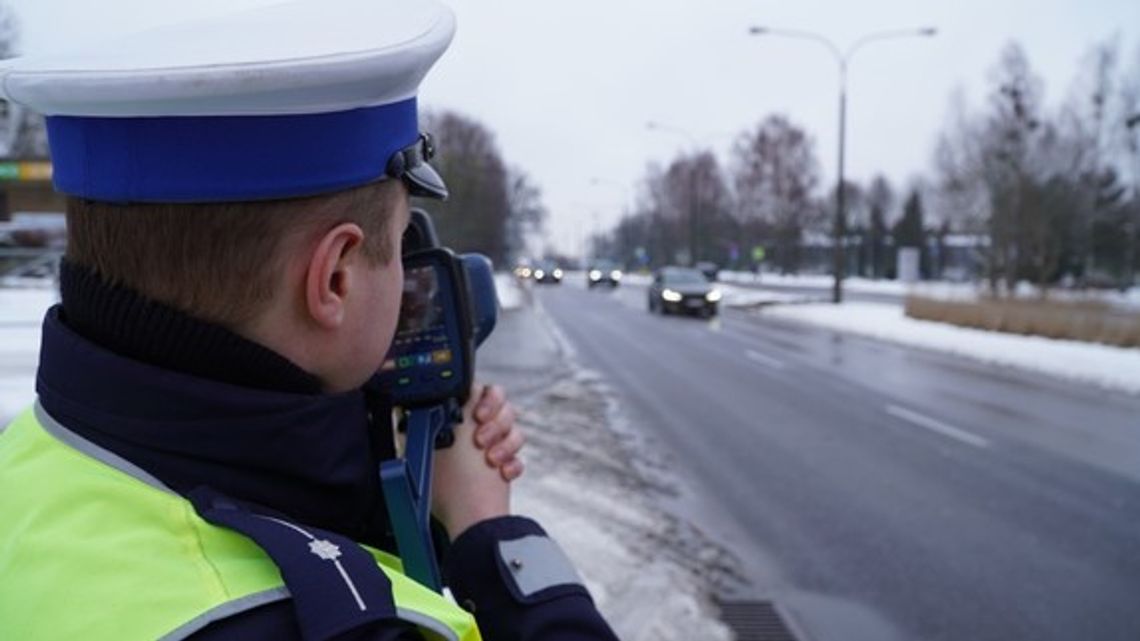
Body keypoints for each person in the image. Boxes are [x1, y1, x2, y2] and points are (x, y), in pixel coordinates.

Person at [0, 1, 619, 640]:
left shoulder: (29, 463)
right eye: (400, 241)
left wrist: (378, 474)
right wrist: (489, 532)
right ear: (335, 278)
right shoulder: (333, 625)